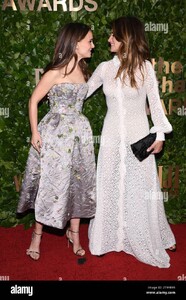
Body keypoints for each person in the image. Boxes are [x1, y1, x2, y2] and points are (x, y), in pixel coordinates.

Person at [87, 16, 176, 268]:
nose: (108, 39)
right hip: (111, 136)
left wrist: (159, 134)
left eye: (114, 35)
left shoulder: (145, 68)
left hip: (138, 137)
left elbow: (155, 105)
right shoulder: (105, 68)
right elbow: (81, 92)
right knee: (109, 184)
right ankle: (108, 238)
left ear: (127, 37)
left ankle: (151, 236)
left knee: (141, 188)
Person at [17, 22, 96, 260]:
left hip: (80, 134)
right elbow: (33, 101)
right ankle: (37, 235)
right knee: (49, 184)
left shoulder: (84, 70)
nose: (93, 45)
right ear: (75, 42)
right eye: (90, 41)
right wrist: (35, 132)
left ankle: (75, 234)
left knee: (78, 183)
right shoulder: (54, 72)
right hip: (54, 134)